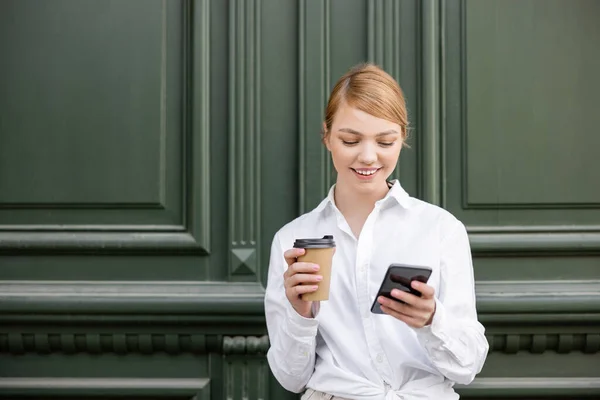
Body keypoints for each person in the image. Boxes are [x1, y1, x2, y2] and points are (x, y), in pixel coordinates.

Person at [264, 63, 489, 400]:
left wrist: (432, 320)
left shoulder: (441, 230)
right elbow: (291, 379)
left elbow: (468, 366)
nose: (368, 157)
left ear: (403, 138)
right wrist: (300, 315)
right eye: (350, 140)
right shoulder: (292, 239)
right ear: (326, 135)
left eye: (385, 141)